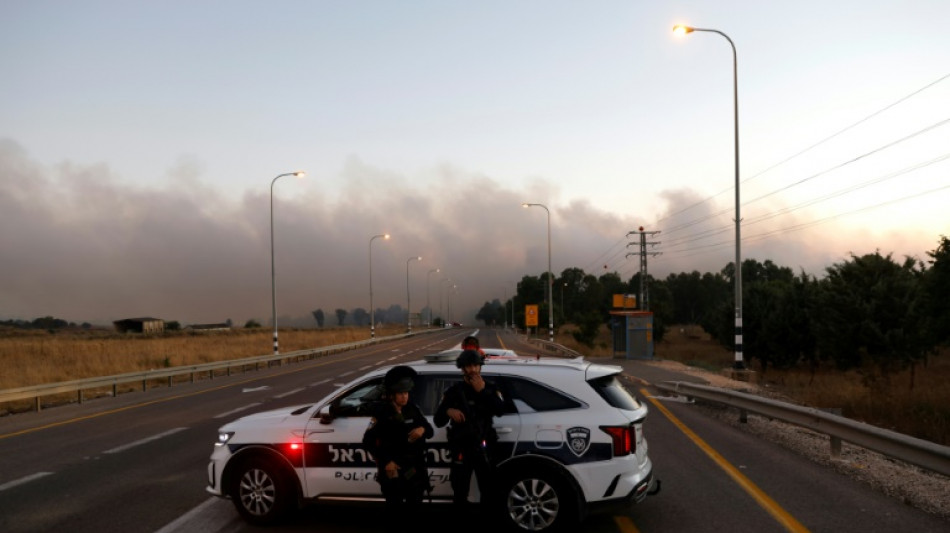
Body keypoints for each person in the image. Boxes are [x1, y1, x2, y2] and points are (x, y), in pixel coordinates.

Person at [434, 349, 506, 508]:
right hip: (461, 449)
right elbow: (438, 421)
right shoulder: (453, 392)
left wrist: (482, 391)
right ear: (462, 368)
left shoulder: (491, 388)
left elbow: (500, 410)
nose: (472, 369)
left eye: (475, 365)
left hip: (484, 448)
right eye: (468, 366)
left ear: (480, 367)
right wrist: (448, 411)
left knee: (489, 492)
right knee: (459, 492)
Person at [362, 365, 434, 523]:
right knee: (394, 512)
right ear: (392, 395)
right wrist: (386, 462)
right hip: (393, 469)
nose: (404, 397)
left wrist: (422, 429)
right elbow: (367, 441)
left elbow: (430, 430)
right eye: (400, 393)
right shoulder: (382, 413)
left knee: (414, 509)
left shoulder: (413, 409)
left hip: (413, 469)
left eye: (406, 393)